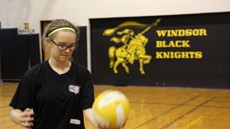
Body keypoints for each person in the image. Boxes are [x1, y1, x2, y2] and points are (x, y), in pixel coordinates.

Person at [9, 19, 100, 129]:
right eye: (62, 45)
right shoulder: (33, 75)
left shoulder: (83, 74)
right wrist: (19, 117)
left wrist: (100, 123)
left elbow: (88, 108)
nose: (67, 50)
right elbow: (15, 110)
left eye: (72, 45)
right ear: (49, 42)